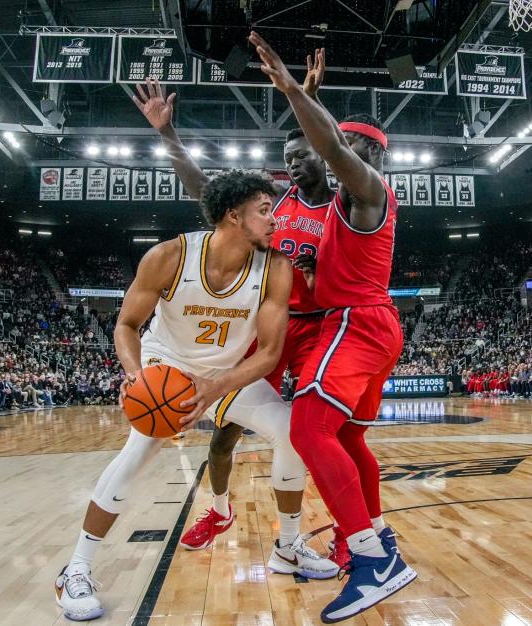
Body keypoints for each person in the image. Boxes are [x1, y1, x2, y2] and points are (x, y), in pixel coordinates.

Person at [54, 170, 337, 623]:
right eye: (265, 211)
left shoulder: (276, 268)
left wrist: (216, 388)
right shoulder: (170, 256)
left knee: (291, 431)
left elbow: (267, 354)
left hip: (226, 375)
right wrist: (134, 376)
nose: (275, 221)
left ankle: (288, 546)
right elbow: (126, 325)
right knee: (137, 454)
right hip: (166, 370)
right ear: (232, 216)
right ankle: (76, 569)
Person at [131, 77, 339, 554]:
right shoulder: (274, 205)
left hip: (317, 327)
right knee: (225, 434)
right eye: (287, 157)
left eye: (301, 154)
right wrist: (168, 135)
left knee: (313, 429)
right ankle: (221, 510)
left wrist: (319, 271)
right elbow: (206, 190)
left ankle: (332, 529)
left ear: (325, 153)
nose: (290, 163)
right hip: (262, 327)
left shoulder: (344, 208)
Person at [251, 35, 416, 623]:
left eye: (342, 150)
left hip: (355, 323)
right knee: (348, 440)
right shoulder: (338, 197)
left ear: (356, 154)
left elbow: (332, 151)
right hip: (367, 324)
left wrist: (295, 91)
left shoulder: (367, 188)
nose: (330, 157)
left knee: (307, 428)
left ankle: (376, 562)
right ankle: (373, 534)